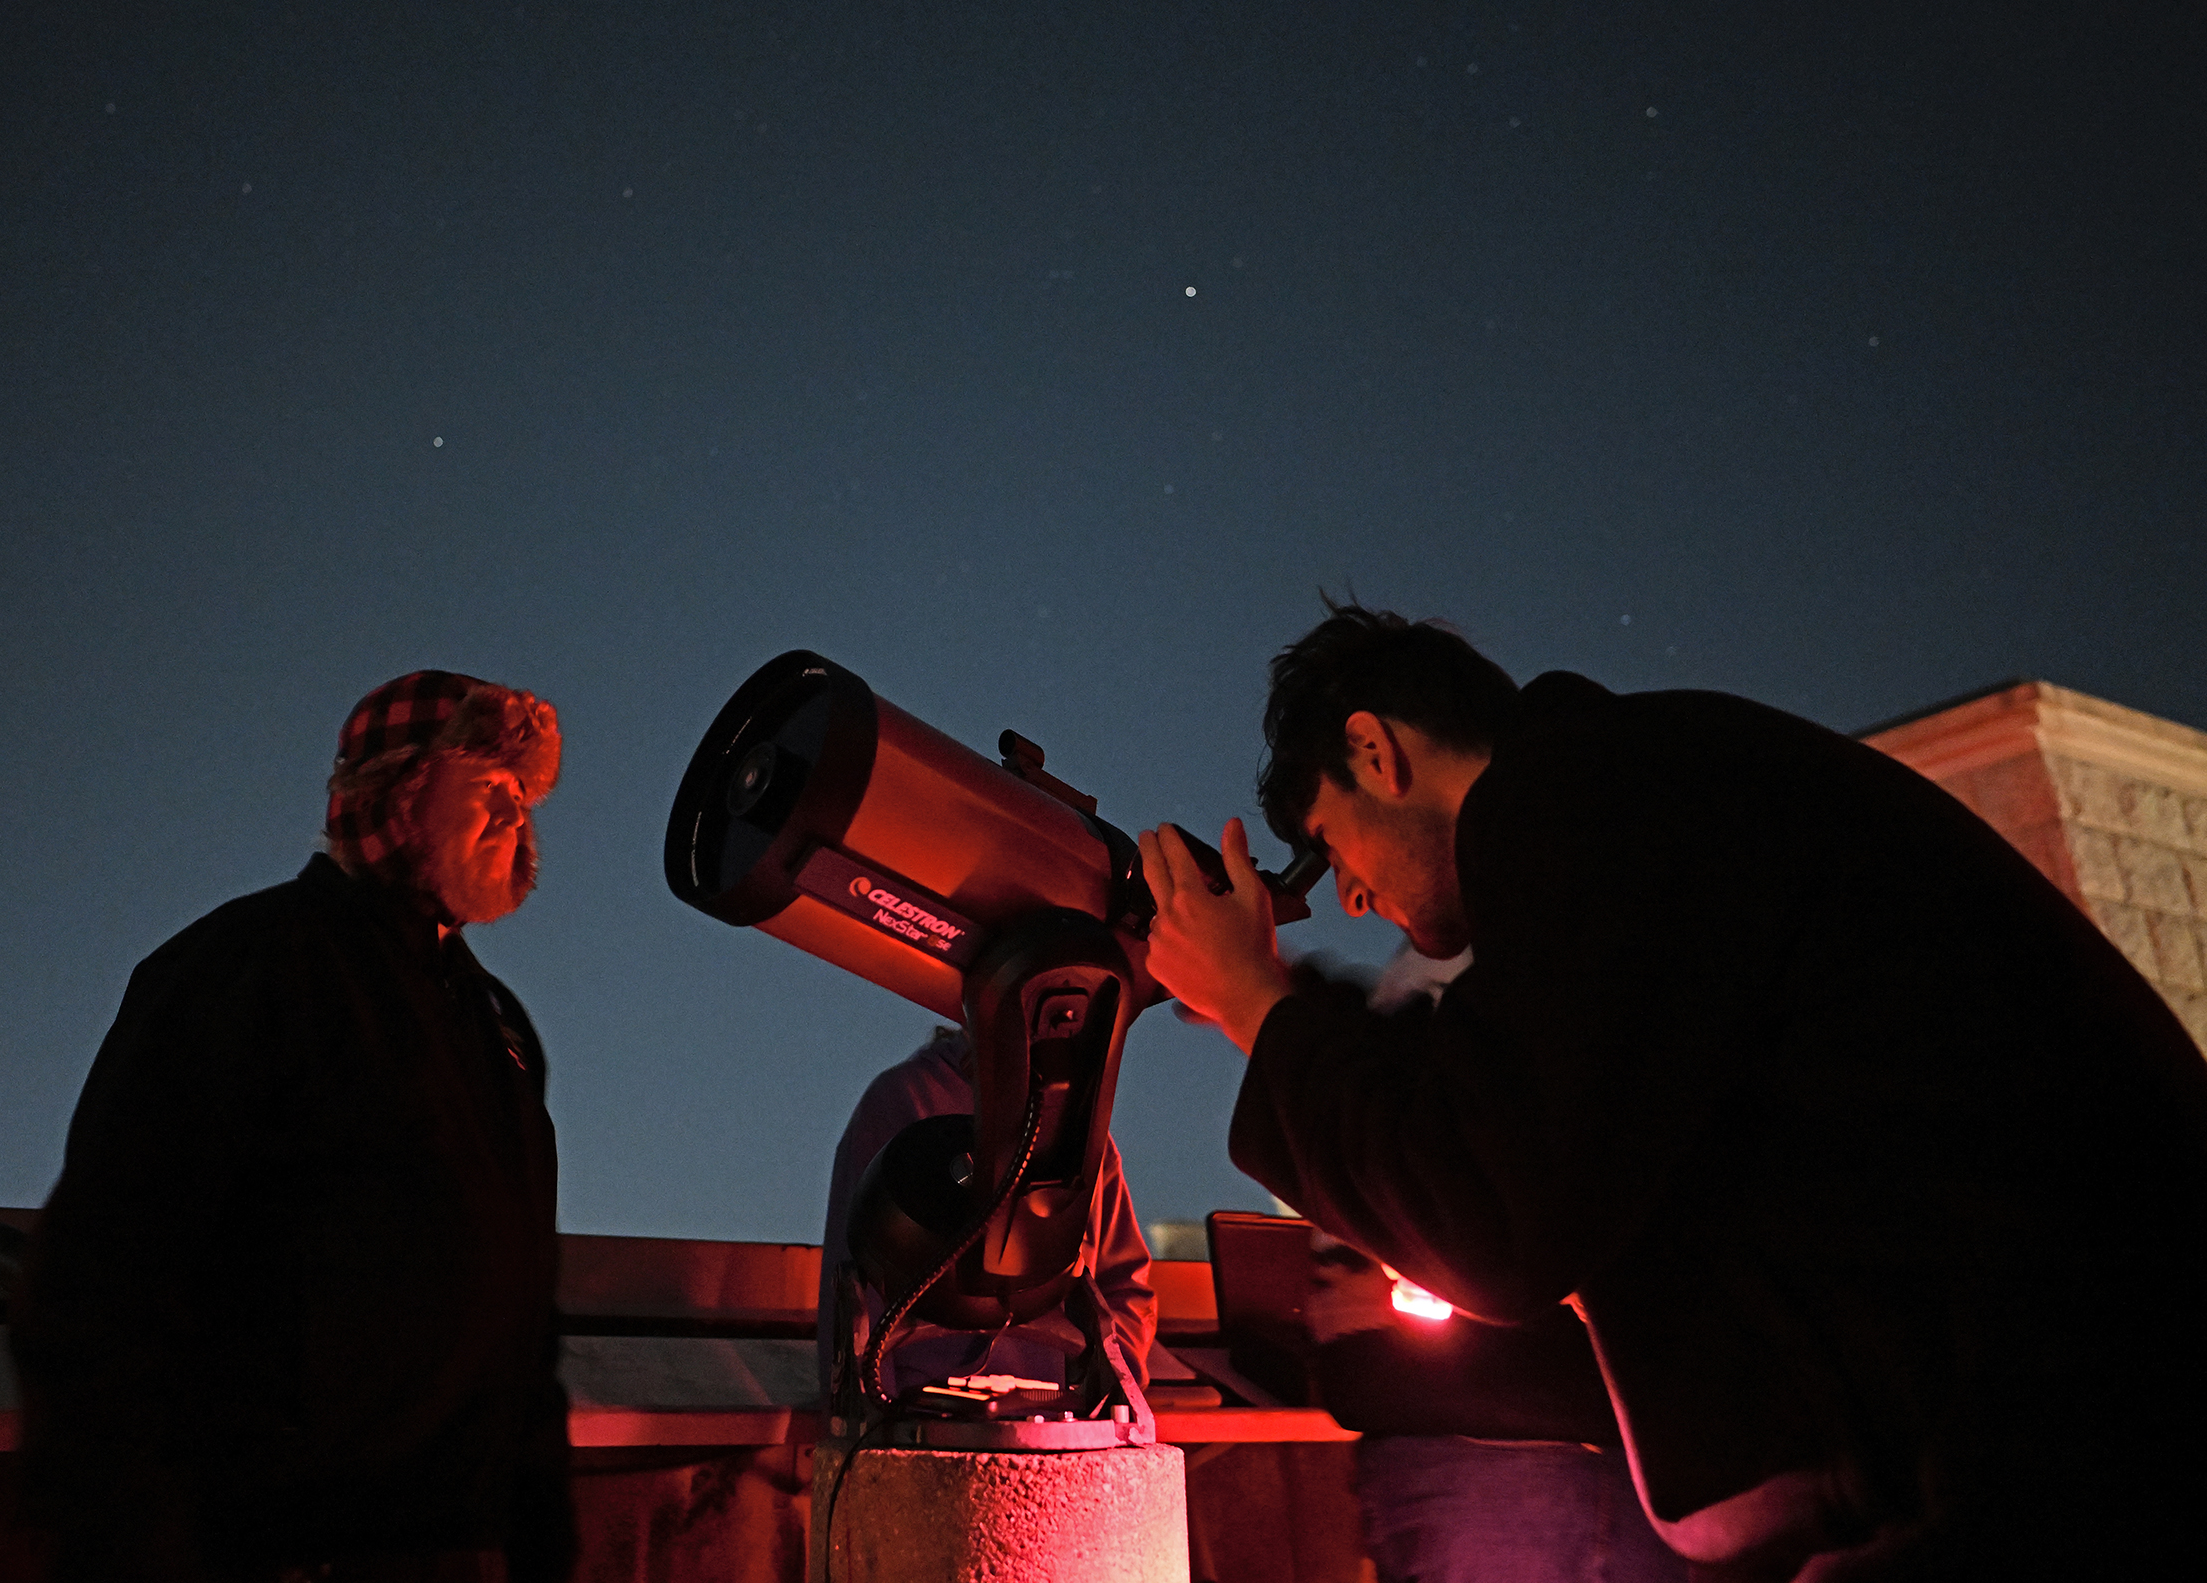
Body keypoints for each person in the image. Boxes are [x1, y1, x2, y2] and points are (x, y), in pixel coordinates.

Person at [1139, 605, 2207, 1582]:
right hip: (2037, 1418)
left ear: (1378, 750)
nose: (1353, 895)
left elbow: (1492, 1210)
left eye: (1331, 842)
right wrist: (1279, 1002)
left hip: (2068, 1435)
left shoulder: (1581, 798)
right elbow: (1499, 1102)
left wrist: (1256, 1004)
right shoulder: (1643, 794)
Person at [12, 672, 574, 1583]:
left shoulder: (496, 1025)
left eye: (524, 795)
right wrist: (131, 1541)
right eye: (488, 788)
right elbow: (102, 1276)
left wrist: (541, 1540)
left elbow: (523, 1319)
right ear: (399, 792)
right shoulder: (246, 966)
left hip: (459, 1544)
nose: (517, 817)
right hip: (277, 1544)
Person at [1312, 943, 1686, 1583]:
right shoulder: (1437, 990)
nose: (1348, 896)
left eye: (1329, 842)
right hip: (1482, 1451)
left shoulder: (1543, 976)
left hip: (1560, 1455)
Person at [817, 1021, 1156, 1410]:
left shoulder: (1079, 1129)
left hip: (1063, 1415)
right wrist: (878, 1427)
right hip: (921, 1414)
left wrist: (1105, 1395)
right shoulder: (899, 1100)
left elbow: (1125, 1286)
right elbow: (852, 1288)